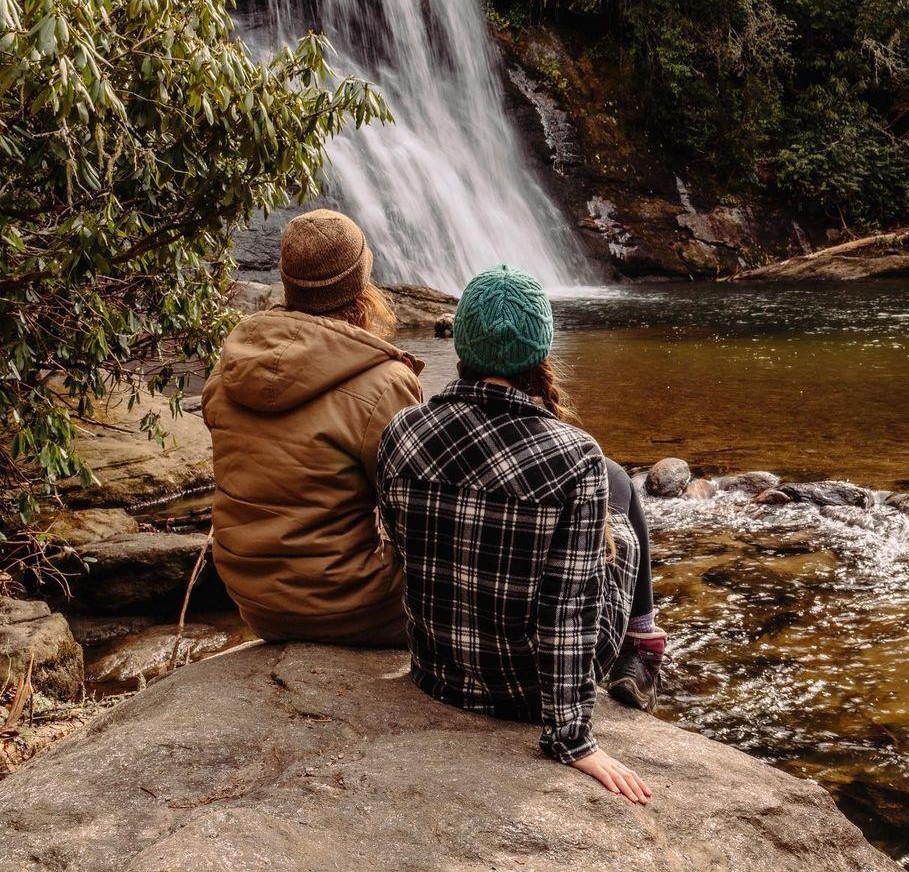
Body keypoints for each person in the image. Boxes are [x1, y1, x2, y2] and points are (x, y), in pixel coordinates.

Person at [376, 264, 666, 804]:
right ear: (541, 353)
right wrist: (573, 740)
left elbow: (402, 547)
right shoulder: (575, 456)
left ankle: (644, 639)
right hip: (525, 694)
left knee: (608, 485)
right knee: (619, 491)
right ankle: (643, 642)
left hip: (436, 672)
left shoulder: (402, 430)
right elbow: (568, 612)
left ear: (461, 341)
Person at [203, 209, 423, 646]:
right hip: (352, 605)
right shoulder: (384, 383)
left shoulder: (229, 368)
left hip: (254, 602)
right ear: (362, 291)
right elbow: (417, 513)